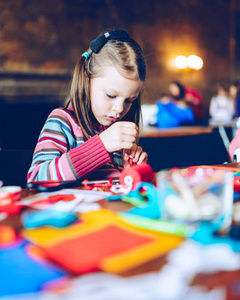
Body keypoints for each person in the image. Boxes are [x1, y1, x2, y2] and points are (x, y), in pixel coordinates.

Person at [27, 30, 148, 182]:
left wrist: (128, 172)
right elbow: (37, 178)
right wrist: (101, 146)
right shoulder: (62, 121)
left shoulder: (114, 130)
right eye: (111, 95)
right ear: (87, 79)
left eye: (129, 101)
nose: (119, 109)